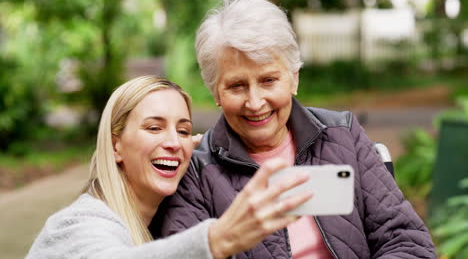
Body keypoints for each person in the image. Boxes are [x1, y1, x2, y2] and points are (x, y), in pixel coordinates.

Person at [154, 0, 437, 258]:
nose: (255, 102)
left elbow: (408, 242)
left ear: (294, 79)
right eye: (237, 85)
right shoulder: (196, 171)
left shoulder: (342, 135)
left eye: (268, 80)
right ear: (215, 93)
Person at [26, 76, 313, 259]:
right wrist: (216, 240)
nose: (174, 142)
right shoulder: (80, 223)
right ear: (116, 146)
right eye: (154, 127)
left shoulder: (156, 220)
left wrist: (187, 149)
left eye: (184, 131)